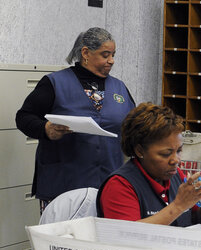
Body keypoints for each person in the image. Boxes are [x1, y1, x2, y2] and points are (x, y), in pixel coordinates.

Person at [15, 27, 135, 212]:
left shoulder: (119, 88)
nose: (111, 61)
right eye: (105, 55)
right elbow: (23, 117)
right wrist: (45, 129)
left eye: (113, 55)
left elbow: (135, 125)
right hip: (62, 186)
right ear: (85, 53)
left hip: (107, 186)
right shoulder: (54, 83)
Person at [97, 103, 201, 227]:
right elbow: (127, 234)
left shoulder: (177, 176)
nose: (176, 160)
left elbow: (189, 217)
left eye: (179, 151)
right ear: (140, 151)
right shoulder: (119, 185)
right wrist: (178, 206)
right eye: (165, 154)